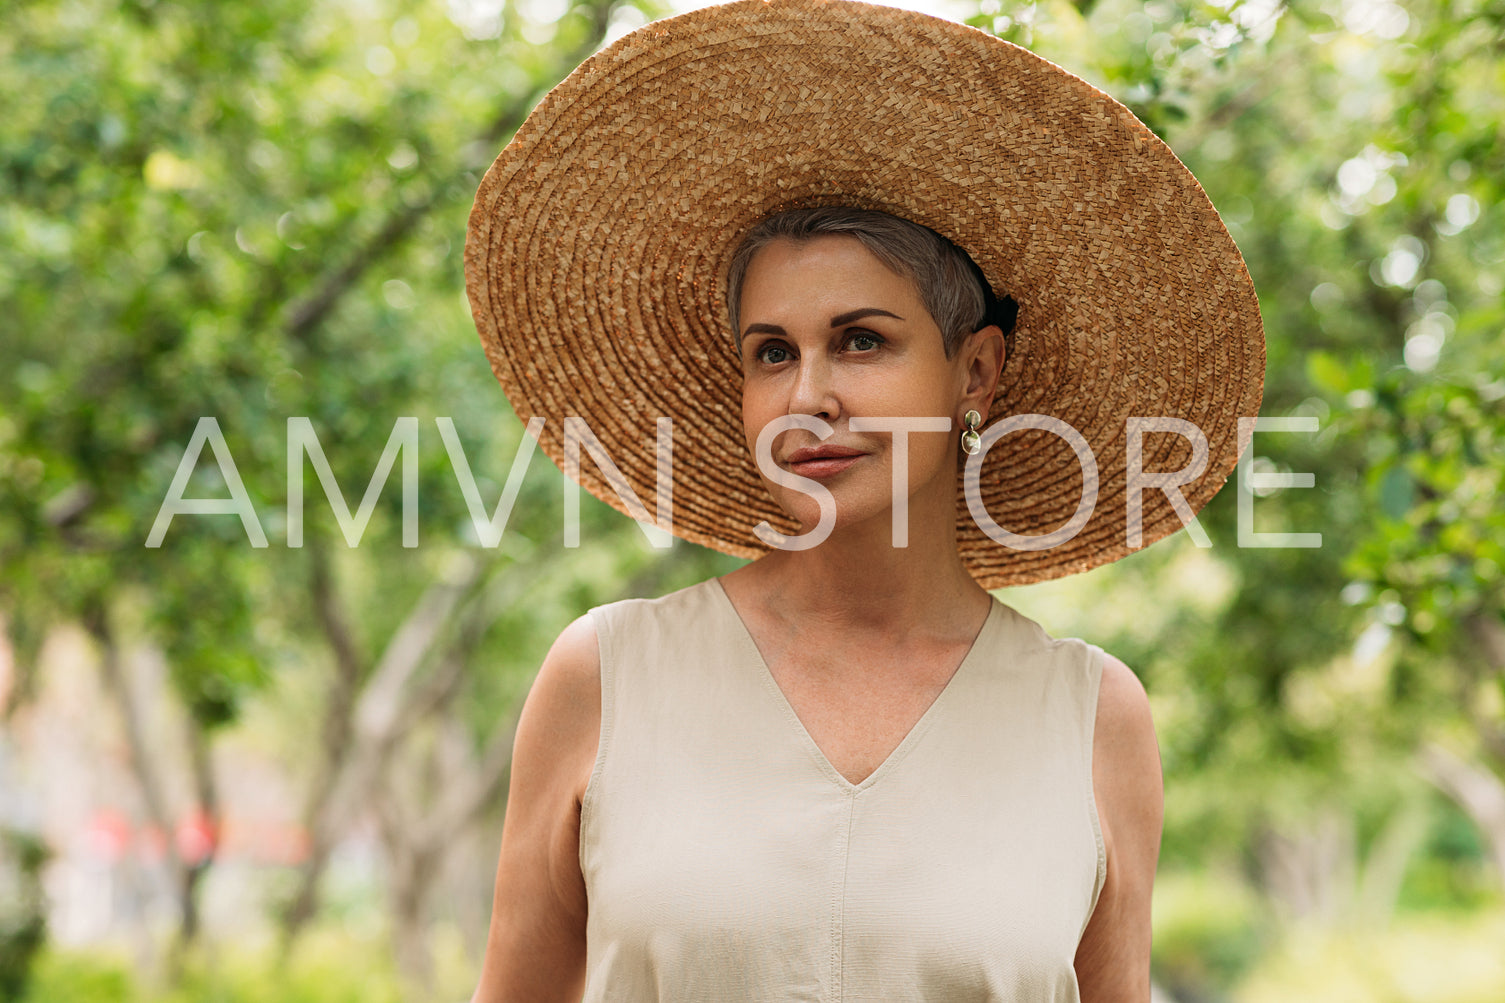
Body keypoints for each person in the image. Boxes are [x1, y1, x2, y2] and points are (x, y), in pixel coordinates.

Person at [464, 2, 1265, 1000]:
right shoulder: (607, 675)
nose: (807, 397)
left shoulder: (1092, 717)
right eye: (771, 353)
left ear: (974, 371)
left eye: (860, 340)